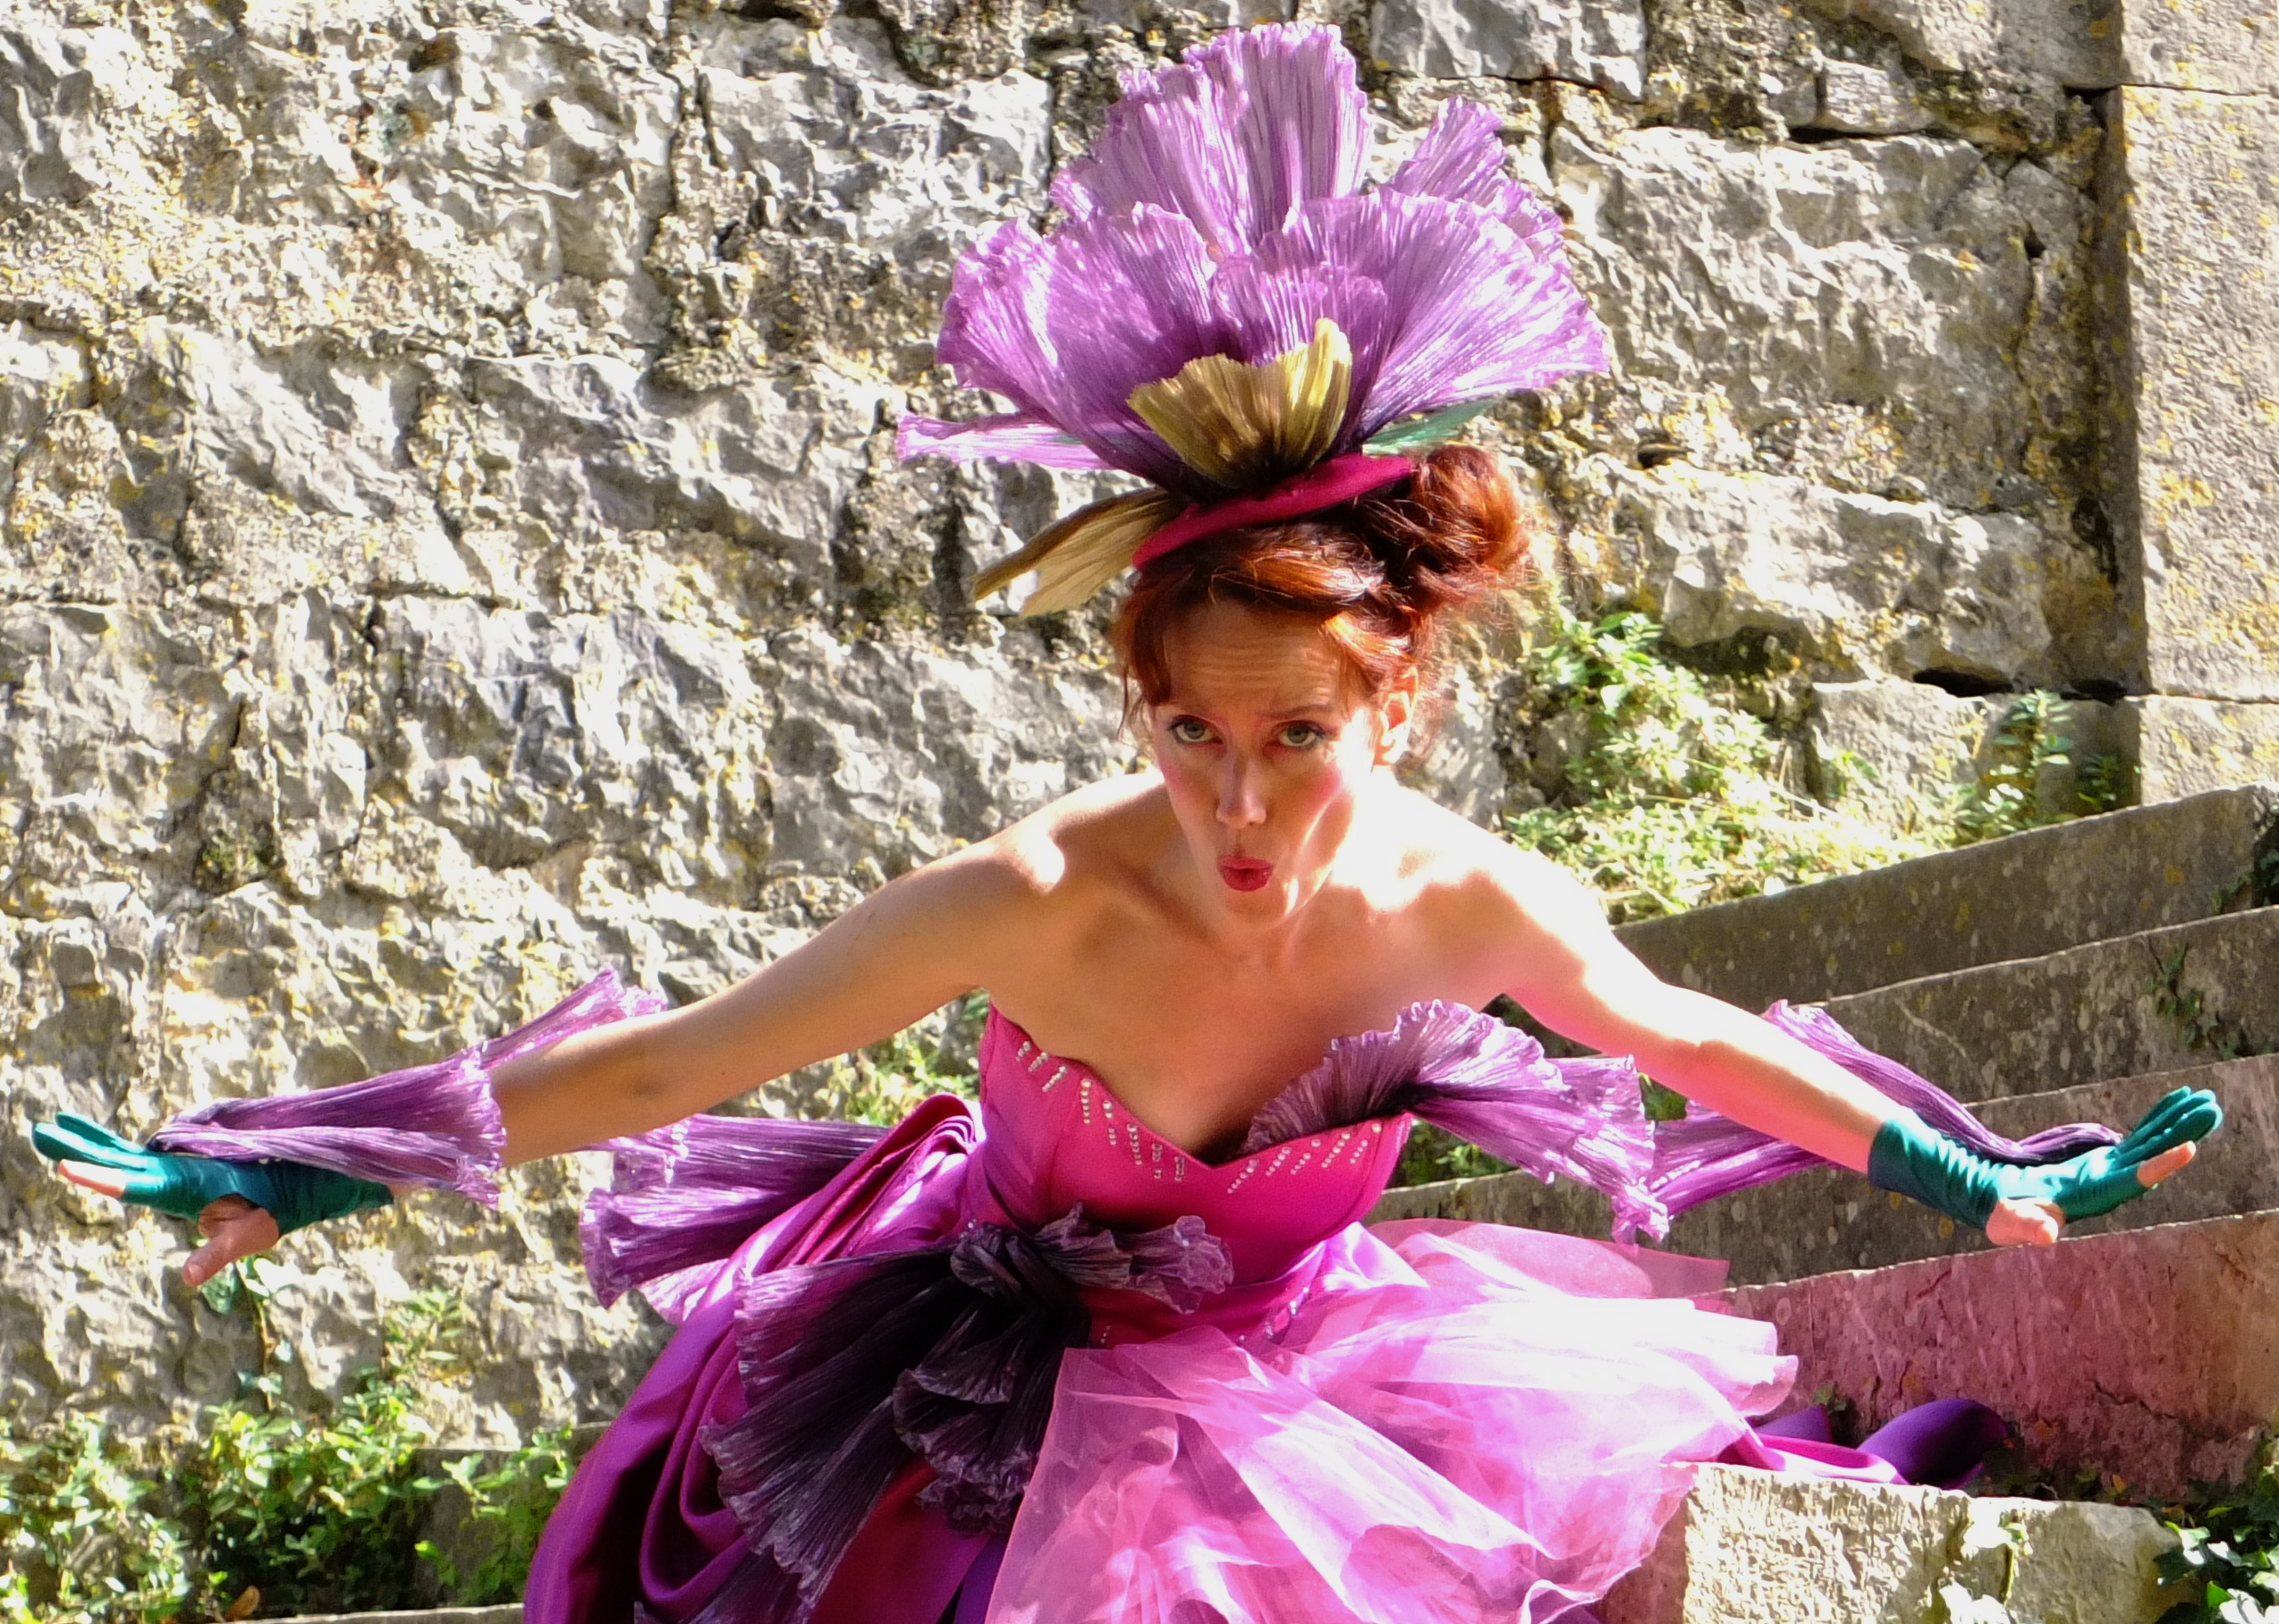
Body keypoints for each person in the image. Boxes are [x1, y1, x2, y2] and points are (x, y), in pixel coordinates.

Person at [34, 24, 2218, 1624]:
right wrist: (316, 1159)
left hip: (1293, 1361)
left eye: (1297, 734)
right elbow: (671, 1064)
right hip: (984, 1369)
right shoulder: (1037, 894)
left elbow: (1685, 1035)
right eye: (1186, 731)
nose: (1236, 797)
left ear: (1397, 696)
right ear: (1131, 704)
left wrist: (1973, 1170)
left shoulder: (1465, 897)